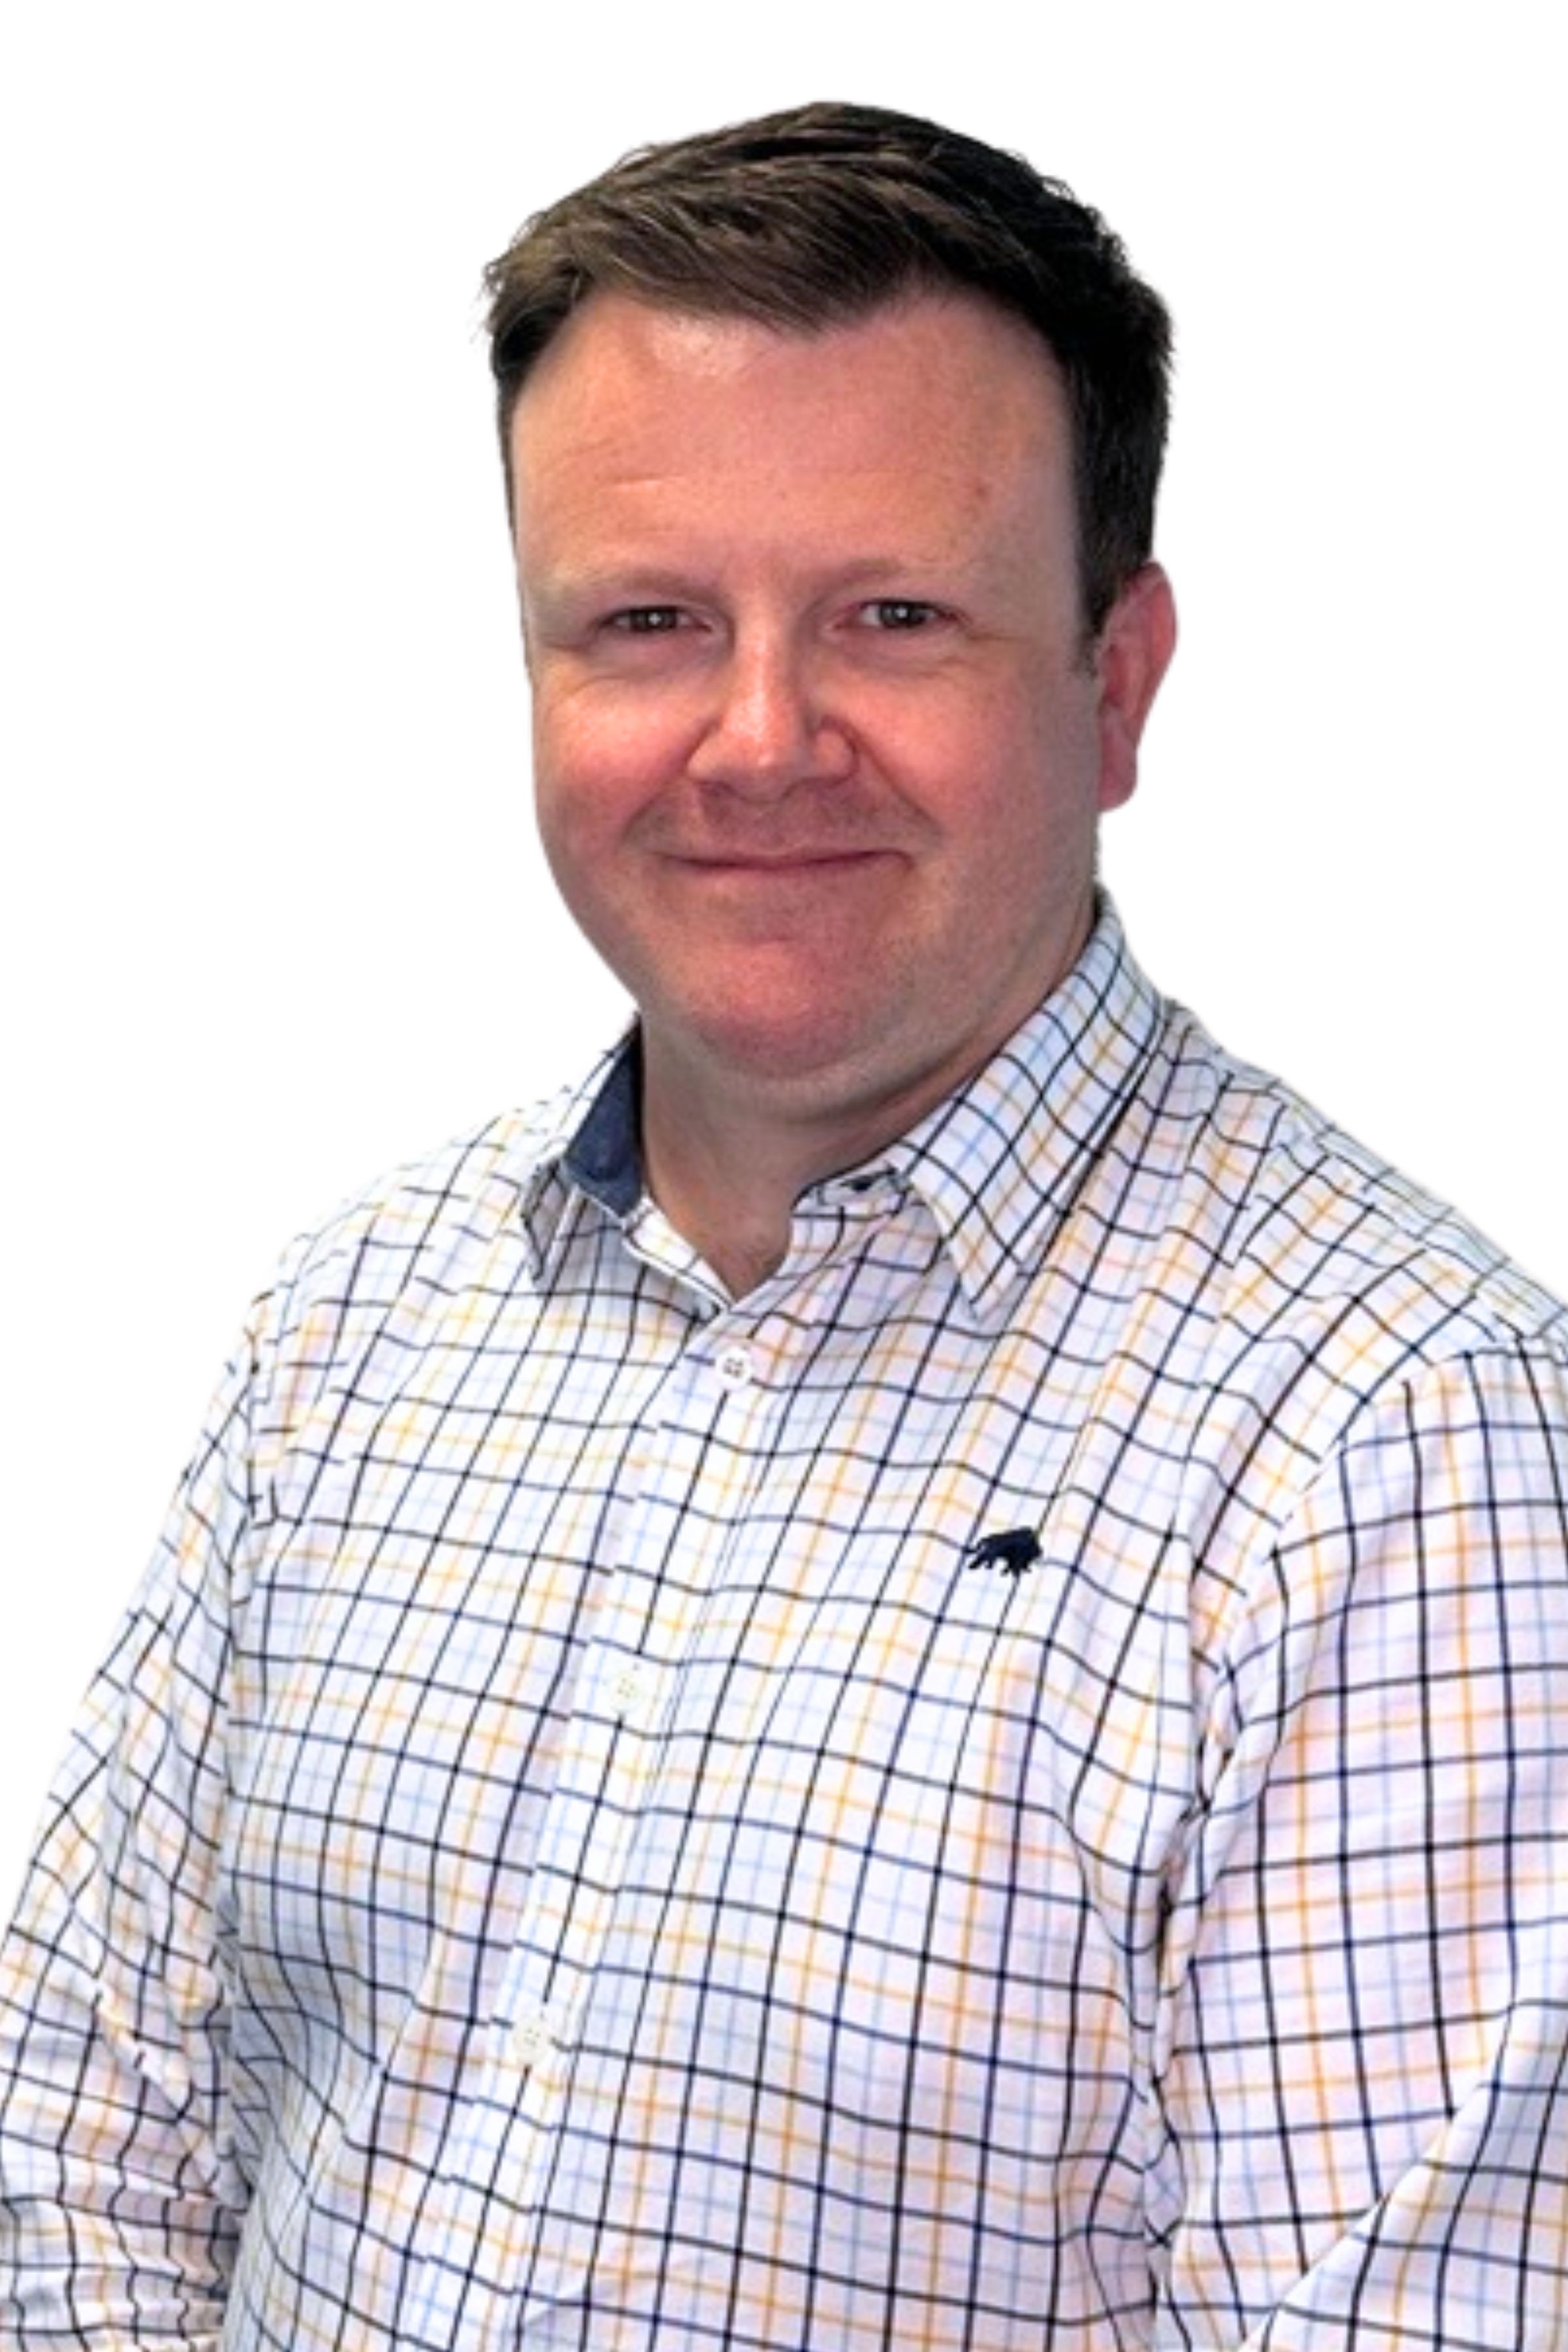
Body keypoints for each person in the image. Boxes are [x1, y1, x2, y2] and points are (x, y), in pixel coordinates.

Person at [2, 99, 1566, 2352]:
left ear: (1116, 683)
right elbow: (80, 2142)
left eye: (894, 618)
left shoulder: (1405, 1457)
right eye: (648, 622)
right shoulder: (350, 1326)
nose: (757, 741)